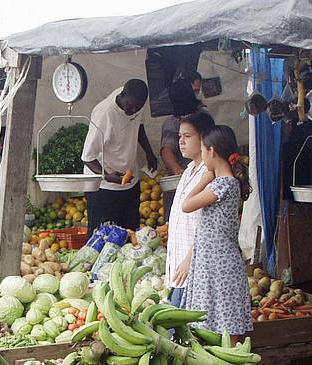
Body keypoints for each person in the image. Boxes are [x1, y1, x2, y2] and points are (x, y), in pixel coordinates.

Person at [181, 125, 252, 340]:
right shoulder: (225, 183)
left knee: (225, 322)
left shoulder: (223, 185)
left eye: (203, 151)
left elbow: (187, 204)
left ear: (212, 152)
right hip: (212, 262)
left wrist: (204, 179)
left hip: (219, 265)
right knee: (215, 319)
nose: (202, 157)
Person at [81, 79, 158, 233]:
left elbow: (139, 126)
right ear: (122, 94)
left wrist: (149, 152)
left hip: (130, 183)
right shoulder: (104, 115)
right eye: (130, 107)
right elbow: (87, 157)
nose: (133, 110)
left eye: (138, 108)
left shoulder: (135, 101)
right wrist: (107, 176)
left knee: (130, 235)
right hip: (103, 188)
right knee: (104, 237)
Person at [164, 111, 215, 307]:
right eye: (179, 137)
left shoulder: (209, 174)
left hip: (194, 267)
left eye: (187, 136)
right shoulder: (188, 171)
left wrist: (189, 259)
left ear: (203, 138)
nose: (181, 142)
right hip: (179, 267)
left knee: (179, 330)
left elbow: (209, 225)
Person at [160, 73, 204, 175]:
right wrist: (178, 170)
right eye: (192, 91)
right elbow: (167, 150)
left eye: (197, 91)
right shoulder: (172, 122)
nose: (195, 95)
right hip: (185, 171)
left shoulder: (204, 116)